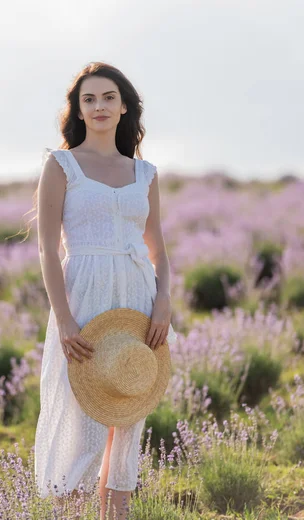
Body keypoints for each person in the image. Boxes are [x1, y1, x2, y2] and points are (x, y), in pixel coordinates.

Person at [34, 61, 177, 520]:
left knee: (126, 410)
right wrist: (65, 319)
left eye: (108, 98)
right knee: (83, 424)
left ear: (123, 107)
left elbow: (158, 249)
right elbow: (48, 252)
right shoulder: (61, 165)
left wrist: (163, 303)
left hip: (135, 299)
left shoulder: (145, 173)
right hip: (85, 297)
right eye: (89, 99)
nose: (99, 107)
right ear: (77, 110)